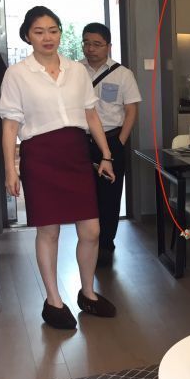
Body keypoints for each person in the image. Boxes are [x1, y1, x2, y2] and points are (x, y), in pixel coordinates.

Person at [0, 6, 118, 330]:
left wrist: (106, 154)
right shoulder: (17, 74)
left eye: (53, 30)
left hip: (76, 154)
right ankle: (53, 301)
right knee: (48, 232)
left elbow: (91, 114)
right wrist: (10, 170)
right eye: (39, 32)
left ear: (61, 32)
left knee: (91, 230)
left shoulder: (76, 70)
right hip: (40, 157)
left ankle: (88, 293)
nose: (47, 37)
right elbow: (10, 126)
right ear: (27, 35)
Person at [80, 22, 141, 266]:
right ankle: (88, 242)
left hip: (112, 139)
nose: (91, 49)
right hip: (82, 141)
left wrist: (120, 142)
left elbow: (131, 110)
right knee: (84, 194)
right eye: (87, 43)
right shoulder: (75, 71)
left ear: (108, 46)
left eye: (97, 44)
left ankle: (106, 244)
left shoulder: (123, 74)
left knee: (110, 196)